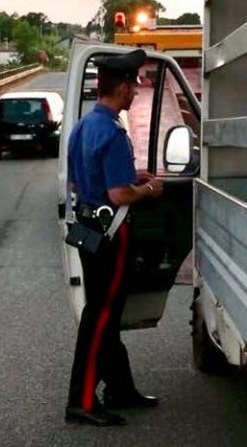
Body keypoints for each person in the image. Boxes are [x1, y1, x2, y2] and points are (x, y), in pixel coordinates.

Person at [65, 49, 165, 427]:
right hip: (112, 235)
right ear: (122, 87)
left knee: (103, 315)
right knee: (101, 317)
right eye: (135, 85)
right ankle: (82, 400)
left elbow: (82, 179)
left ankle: (120, 388)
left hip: (89, 232)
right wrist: (149, 189)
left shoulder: (85, 127)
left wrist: (129, 177)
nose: (137, 92)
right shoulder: (113, 132)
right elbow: (119, 195)